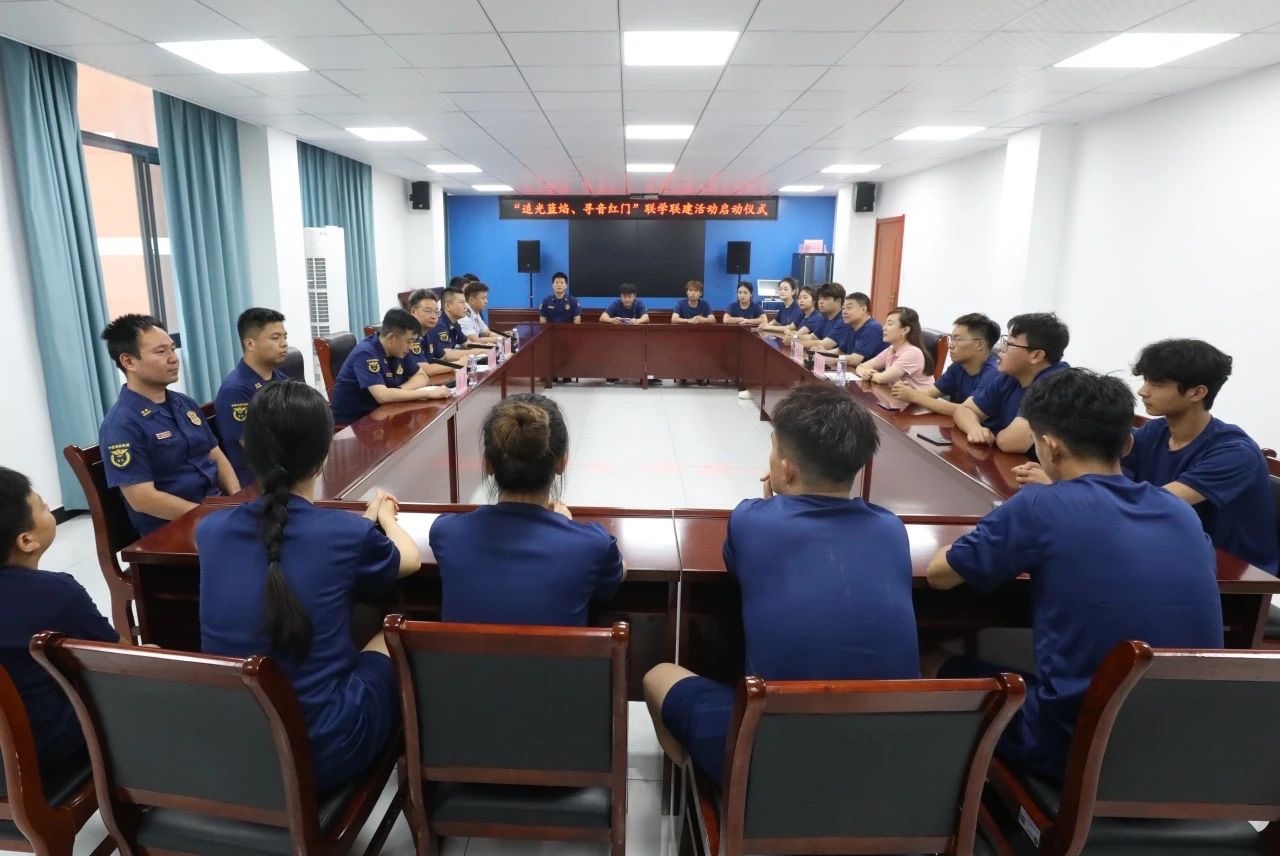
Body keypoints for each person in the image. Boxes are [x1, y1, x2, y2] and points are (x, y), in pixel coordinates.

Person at [925, 369, 1223, 783]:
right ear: (1127, 444)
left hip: (1077, 745)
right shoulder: (1180, 512)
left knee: (930, 659)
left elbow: (940, 576)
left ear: (1048, 446)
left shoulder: (1041, 505)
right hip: (1188, 748)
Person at [643, 384, 920, 788]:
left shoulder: (751, 520)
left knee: (658, 676)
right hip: (889, 764)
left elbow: (739, 564)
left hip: (778, 764)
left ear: (786, 469)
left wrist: (772, 505)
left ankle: (711, 796)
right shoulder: (892, 529)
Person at [198, 382, 422, 792]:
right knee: (393, 627)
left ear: (248, 449)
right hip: (323, 754)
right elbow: (409, 560)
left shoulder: (209, 531)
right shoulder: (345, 534)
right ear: (323, 457)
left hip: (235, 750)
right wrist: (386, 520)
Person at [1015, 339, 1279, 574]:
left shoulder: (1234, 452)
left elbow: (1156, 504)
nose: (1143, 391)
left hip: (1228, 575)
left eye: (1157, 384)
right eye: (1145, 381)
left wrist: (1061, 487)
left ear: (1197, 392)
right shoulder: (1155, 431)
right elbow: (1109, 480)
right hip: (1156, 547)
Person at [430, 394, 625, 626]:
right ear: (562, 463)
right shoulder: (593, 544)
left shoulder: (446, 532)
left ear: (488, 464)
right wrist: (566, 525)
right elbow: (614, 579)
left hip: (464, 653)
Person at [0, 466, 118, 780]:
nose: (49, 506)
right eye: (42, 506)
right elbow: (118, 661)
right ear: (26, 540)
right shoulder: (55, 594)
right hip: (41, 755)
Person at [99, 314, 239, 535]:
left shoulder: (185, 404)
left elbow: (216, 456)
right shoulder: (122, 424)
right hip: (171, 528)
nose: (173, 358)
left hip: (214, 512)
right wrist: (209, 516)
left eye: (172, 349)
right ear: (128, 362)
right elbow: (143, 499)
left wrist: (237, 501)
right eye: (161, 352)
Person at [953, 312, 1069, 453]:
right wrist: (975, 429)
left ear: (1036, 355)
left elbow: (1011, 443)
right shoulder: (1011, 375)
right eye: (1004, 341)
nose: (1001, 349)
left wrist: (992, 434)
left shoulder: (1056, 385)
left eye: (1010, 344)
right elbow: (964, 410)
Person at [330, 308, 451, 425]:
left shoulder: (398, 350)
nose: (410, 347)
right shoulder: (366, 353)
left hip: (383, 412)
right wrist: (429, 394)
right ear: (391, 337)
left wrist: (397, 392)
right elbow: (382, 396)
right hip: (356, 422)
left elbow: (422, 376)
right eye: (409, 341)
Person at [214, 307, 289, 486]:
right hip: (259, 481)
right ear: (250, 345)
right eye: (275, 338)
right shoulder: (235, 390)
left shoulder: (281, 378)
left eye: (284, 337)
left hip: (287, 468)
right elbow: (253, 446)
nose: (284, 344)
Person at [892, 313, 1000, 415]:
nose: (950, 346)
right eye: (952, 339)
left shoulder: (994, 374)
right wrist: (908, 391)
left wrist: (915, 396)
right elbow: (930, 393)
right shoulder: (958, 366)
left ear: (979, 344)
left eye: (957, 339)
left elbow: (967, 411)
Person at [854, 306, 934, 387]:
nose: (884, 328)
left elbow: (882, 379)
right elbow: (861, 366)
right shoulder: (892, 349)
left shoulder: (912, 353)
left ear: (905, 330)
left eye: (890, 324)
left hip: (917, 395)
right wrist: (864, 373)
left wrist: (869, 375)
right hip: (895, 393)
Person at [404, 289, 457, 382]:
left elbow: (443, 356)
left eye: (436, 312)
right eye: (428, 311)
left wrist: (470, 356)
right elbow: (425, 369)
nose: (434, 316)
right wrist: (458, 364)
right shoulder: (409, 334)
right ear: (413, 312)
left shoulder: (430, 332)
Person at [827, 293, 887, 367]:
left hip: (871, 372)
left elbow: (855, 359)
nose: (844, 312)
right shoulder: (851, 325)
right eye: (843, 308)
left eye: (849, 308)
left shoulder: (873, 328)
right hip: (855, 370)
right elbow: (840, 351)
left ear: (863, 309)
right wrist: (822, 353)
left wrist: (830, 359)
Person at [796, 282, 846, 347]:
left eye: (826, 298)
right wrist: (794, 337)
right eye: (820, 298)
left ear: (838, 301)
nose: (821, 302)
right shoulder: (825, 317)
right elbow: (812, 337)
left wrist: (795, 342)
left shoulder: (843, 320)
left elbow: (825, 344)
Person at [459, 281, 501, 345]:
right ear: (471, 300)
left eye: (486, 298)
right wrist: (501, 338)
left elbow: (487, 333)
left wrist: (504, 336)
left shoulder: (475, 312)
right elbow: (474, 340)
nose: (486, 301)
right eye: (483, 298)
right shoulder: (463, 315)